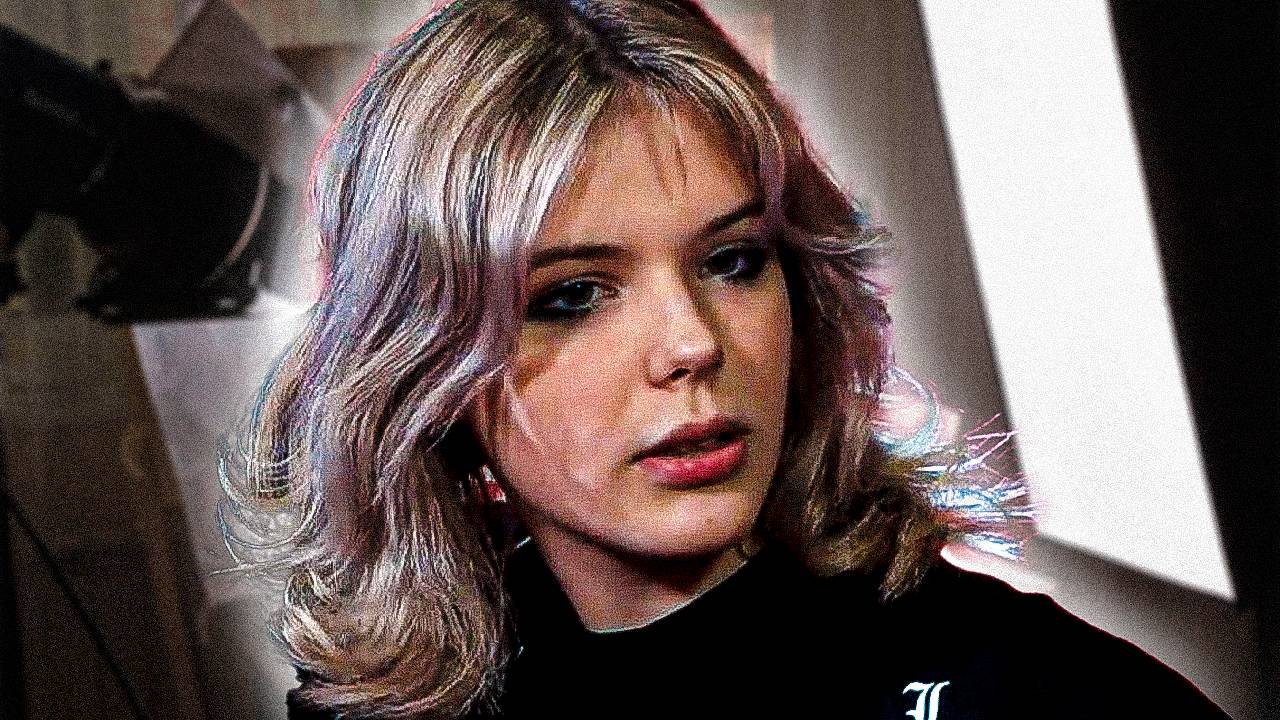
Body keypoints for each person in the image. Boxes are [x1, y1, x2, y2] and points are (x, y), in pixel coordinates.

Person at [216, 1, 1233, 718]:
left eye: (733, 260)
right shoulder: (390, 704)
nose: (693, 343)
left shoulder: (1042, 695)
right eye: (571, 296)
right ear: (421, 365)